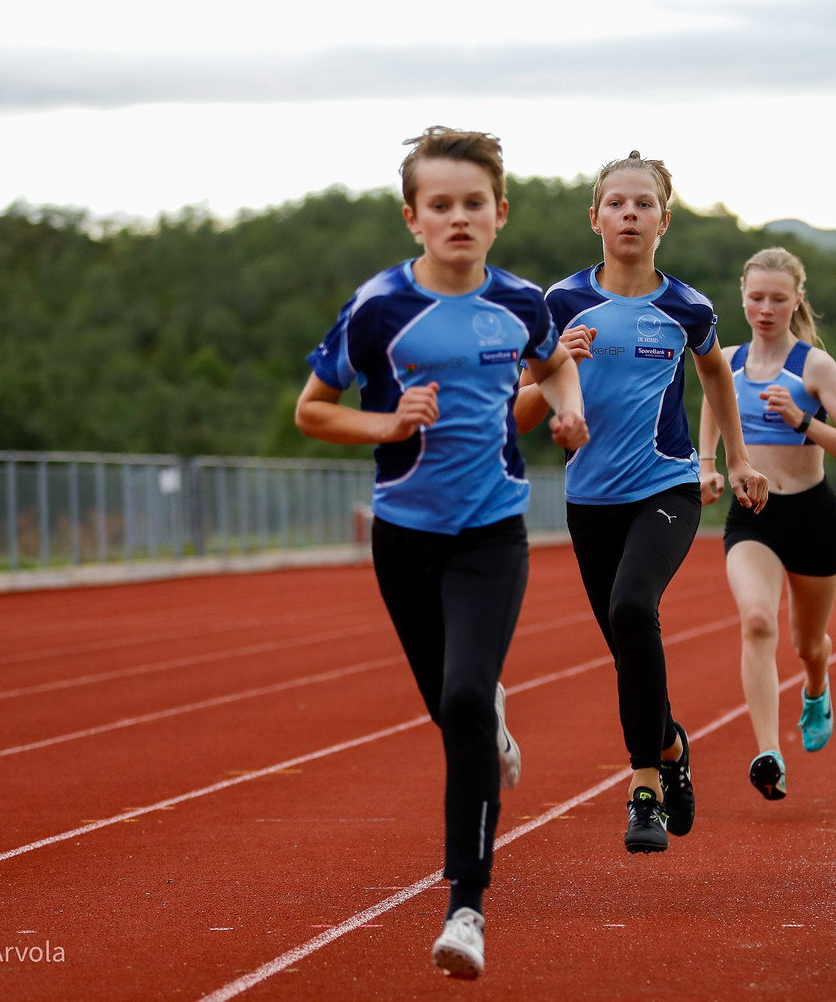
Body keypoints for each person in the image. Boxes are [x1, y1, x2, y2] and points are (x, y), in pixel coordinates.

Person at [295, 127, 587, 980]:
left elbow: (553, 367)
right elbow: (312, 411)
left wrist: (564, 408)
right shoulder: (379, 307)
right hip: (405, 537)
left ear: (500, 213)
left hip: (492, 531)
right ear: (413, 217)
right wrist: (384, 423)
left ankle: (467, 905)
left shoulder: (523, 302)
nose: (458, 217)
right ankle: (485, 710)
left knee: (461, 698)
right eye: (440, 204)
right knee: (451, 708)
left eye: (474, 203)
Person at [515, 151, 769, 853]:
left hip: (666, 486)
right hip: (588, 500)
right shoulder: (556, 305)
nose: (630, 214)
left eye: (643, 204)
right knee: (629, 652)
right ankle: (673, 747)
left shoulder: (686, 307)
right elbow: (519, 414)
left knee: (633, 607)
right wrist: (556, 364)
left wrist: (735, 458)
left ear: (663, 218)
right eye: (616, 203)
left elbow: (717, 372)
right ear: (595, 216)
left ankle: (645, 789)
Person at [697, 247, 836, 800]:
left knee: (807, 644)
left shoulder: (815, 366)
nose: (765, 308)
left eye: (777, 298)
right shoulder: (725, 360)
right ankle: (769, 752)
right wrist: (707, 464)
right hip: (755, 518)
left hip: (814, 517)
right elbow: (708, 406)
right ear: (742, 297)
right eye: (755, 298)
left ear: (797, 298)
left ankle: (817, 688)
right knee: (756, 622)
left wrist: (803, 420)